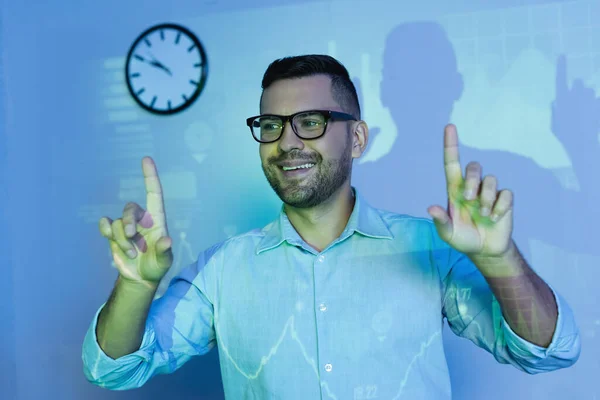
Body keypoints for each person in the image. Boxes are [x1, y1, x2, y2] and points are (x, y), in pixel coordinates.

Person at [82, 55, 580, 399]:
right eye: (272, 125)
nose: (287, 142)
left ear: (357, 138)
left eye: (312, 121)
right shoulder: (223, 269)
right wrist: (136, 284)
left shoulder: (427, 248)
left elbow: (548, 351)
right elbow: (113, 370)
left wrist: (498, 259)